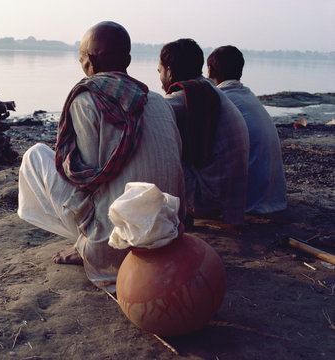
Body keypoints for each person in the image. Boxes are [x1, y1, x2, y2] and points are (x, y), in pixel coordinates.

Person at [18, 21, 185, 292]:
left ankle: (88, 247)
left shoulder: (87, 98)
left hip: (115, 247)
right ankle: (95, 243)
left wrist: (88, 244)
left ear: (88, 63)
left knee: (36, 156)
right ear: (127, 60)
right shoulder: (157, 101)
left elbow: (86, 178)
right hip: (169, 235)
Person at [157, 39, 249, 227]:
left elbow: (147, 116)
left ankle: (174, 217)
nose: (160, 80)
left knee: (153, 141)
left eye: (159, 72)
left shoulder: (186, 96)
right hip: (229, 200)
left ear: (169, 71)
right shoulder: (206, 89)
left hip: (209, 200)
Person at [207, 45, 287, 214]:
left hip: (250, 202)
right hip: (274, 198)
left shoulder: (221, 99)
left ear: (210, 71)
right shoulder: (247, 96)